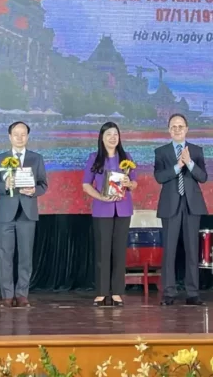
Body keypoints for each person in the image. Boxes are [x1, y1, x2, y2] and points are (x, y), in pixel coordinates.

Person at [0, 121, 48, 308]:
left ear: (28, 137)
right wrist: (6, 186)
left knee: (25, 256)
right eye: (16, 134)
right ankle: (7, 296)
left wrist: (34, 191)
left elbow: (43, 185)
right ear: (10, 137)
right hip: (6, 214)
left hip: (27, 213)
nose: (20, 138)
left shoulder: (36, 158)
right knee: (5, 255)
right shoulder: (0, 159)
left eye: (23, 134)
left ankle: (22, 294)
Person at [154, 112, 208, 305]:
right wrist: (178, 166)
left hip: (192, 205)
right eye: (173, 127)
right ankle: (169, 292)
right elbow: (159, 177)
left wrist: (189, 163)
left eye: (180, 126)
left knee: (192, 250)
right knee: (169, 251)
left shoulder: (196, 150)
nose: (177, 130)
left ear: (186, 129)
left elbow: (203, 177)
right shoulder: (161, 152)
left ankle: (192, 292)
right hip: (170, 205)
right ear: (169, 130)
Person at [81, 121, 138, 306]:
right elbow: (86, 185)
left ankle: (117, 292)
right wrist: (100, 197)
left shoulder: (126, 157)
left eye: (115, 134)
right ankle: (101, 292)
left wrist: (129, 183)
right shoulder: (94, 158)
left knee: (119, 252)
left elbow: (134, 183)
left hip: (123, 209)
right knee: (102, 251)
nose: (113, 138)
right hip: (102, 209)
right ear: (102, 138)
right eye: (109, 135)